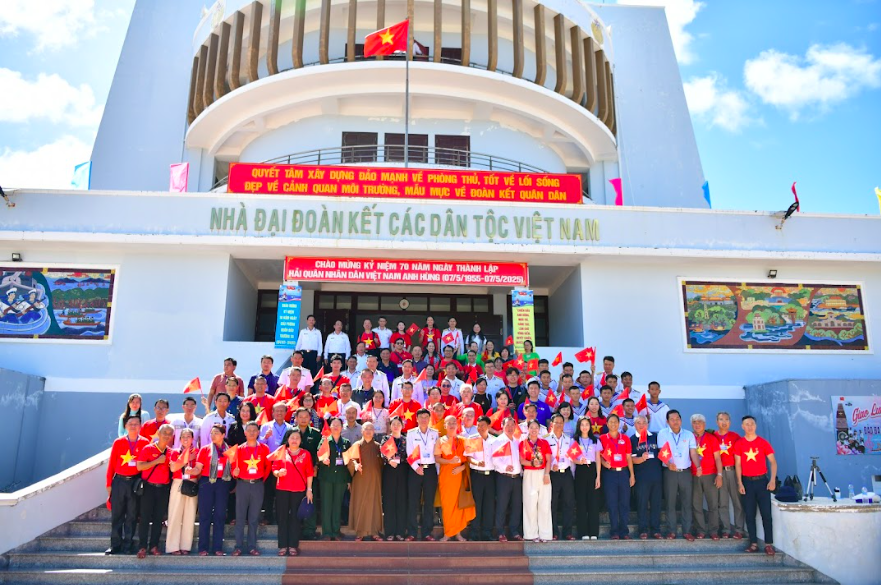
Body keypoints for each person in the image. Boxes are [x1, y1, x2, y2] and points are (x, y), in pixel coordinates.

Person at [105, 414, 150, 555]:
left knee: (131, 515)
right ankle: (115, 545)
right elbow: (112, 464)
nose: (133, 426)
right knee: (117, 515)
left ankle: (127, 545)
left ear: (140, 426)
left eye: (136, 423)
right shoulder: (119, 442)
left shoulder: (144, 443)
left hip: (135, 482)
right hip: (119, 481)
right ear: (125, 426)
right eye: (130, 423)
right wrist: (109, 484)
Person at [734, 415, 777, 555]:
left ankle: (769, 544)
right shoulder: (739, 443)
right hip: (747, 482)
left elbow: (773, 462)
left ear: (755, 426)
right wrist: (740, 482)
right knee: (749, 515)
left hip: (762, 482)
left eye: (752, 423)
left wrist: (772, 480)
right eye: (747, 424)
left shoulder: (763, 442)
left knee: (766, 514)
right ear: (742, 426)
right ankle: (753, 543)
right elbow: (738, 465)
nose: (750, 426)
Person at [657, 409, 700, 540]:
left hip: (685, 472)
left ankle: (687, 531)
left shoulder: (688, 435)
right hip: (670, 472)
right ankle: (672, 531)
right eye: (672, 419)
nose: (675, 422)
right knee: (670, 503)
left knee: (687, 502)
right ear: (667, 421)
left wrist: (698, 466)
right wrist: (669, 463)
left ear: (681, 420)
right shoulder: (663, 434)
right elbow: (662, 452)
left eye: (677, 419)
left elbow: (693, 453)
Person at [272, 428, 315, 556]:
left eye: (297, 438)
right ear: (287, 439)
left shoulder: (306, 454)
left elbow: (309, 473)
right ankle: (283, 545)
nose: (294, 440)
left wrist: (309, 490)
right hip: (282, 489)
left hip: (299, 490)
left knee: (295, 519)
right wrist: (278, 473)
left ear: (301, 440)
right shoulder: (281, 451)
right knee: (282, 517)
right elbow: (274, 468)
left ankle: (293, 545)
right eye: (292, 437)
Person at [193, 424, 234, 556]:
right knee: (205, 515)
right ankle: (203, 548)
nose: (213, 435)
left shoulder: (230, 451)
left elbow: (234, 470)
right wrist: (190, 470)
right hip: (207, 482)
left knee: (220, 515)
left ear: (223, 435)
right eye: (211, 433)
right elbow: (198, 468)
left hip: (223, 483)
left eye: (216, 433)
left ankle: (217, 547)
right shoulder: (205, 450)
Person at [231, 421, 270, 556]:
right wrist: (234, 474)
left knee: (254, 518)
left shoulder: (264, 448)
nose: (252, 432)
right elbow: (233, 468)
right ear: (245, 433)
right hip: (242, 485)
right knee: (240, 517)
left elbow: (267, 467)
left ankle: (252, 546)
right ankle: (238, 546)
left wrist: (260, 480)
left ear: (258, 432)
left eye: (255, 430)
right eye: (249, 430)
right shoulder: (239, 449)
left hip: (258, 485)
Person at [134, 423, 173, 558]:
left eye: (169, 434)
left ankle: (154, 546)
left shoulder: (170, 452)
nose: (167, 436)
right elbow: (140, 466)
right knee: (144, 518)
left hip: (163, 489)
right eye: (164, 433)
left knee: (158, 519)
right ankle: (142, 546)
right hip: (149, 488)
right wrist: (157, 461)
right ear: (158, 434)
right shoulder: (148, 449)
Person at [435, 416, 476, 541]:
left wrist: (461, 468)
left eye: (454, 423)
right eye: (449, 423)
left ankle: (458, 533)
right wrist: (449, 461)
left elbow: (469, 459)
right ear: (445, 426)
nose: (452, 425)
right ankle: (448, 533)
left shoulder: (463, 440)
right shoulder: (440, 441)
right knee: (448, 506)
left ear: (457, 425)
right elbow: (437, 458)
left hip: (460, 477)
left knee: (459, 505)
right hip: (446, 477)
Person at [599, 414, 635, 540]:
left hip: (624, 472)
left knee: (624, 502)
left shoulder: (625, 438)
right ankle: (614, 531)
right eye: (611, 422)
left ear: (619, 424)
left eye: (615, 422)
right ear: (607, 424)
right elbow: (598, 457)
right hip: (610, 474)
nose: (613, 424)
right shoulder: (602, 438)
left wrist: (632, 475)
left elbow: (629, 457)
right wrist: (604, 464)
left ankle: (624, 531)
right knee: (612, 502)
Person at [406, 409, 439, 540]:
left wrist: (438, 472)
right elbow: (409, 452)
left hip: (430, 470)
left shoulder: (435, 434)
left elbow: (437, 454)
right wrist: (415, 467)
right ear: (417, 419)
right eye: (421, 417)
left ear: (430, 418)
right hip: (415, 469)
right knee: (413, 502)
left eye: (426, 417)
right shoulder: (411, 433)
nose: (424, 419)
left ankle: (427, 532)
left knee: (429, 502)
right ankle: (412, 532)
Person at [347, 421, 384, 541]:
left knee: (374, 503)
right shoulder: (356, 445)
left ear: (374, 432)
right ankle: (360, 532)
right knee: (360, 503)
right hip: (360, 479)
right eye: (366, 429)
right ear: (361, 431)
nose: (368, 431)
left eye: (370, 429)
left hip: (374, 479)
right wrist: (355, 465)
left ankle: (375, 531)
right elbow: (350, 460)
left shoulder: (378, 446)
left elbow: (382, 463)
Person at [317, 417, 351, 540]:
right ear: (330, 427)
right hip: (327, 476)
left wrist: (348, 480)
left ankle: (336, 531)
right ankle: (327, 532)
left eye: (338, 425)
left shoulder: (346, 443)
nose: (336, 427)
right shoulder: (325, 440)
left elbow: (349, 462)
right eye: (333, 424)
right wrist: (322, 460)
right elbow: (319, 454)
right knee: (326, 505)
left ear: (342, 428)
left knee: (338, 504)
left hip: (341, 478)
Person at [166, 428, 199, 555]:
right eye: (183, 437)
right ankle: (173, 546)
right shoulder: (175, 452)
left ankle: (186, 545)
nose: (186, 439)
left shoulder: (197, 452)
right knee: (175, 514)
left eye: (188, 437)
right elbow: (173, 468)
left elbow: (200, 469)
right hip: (178, 483)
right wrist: (186, 458)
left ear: (192, 439)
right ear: (179, 440)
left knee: (190, 515)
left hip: (192, 482)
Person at [691, 414, 723, 540]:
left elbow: (717, 458)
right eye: (694, 422)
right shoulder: (689, 437)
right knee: (696, 504)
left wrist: (719, 475)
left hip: (710, 475)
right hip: (693, 475)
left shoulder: (711, 438)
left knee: (712, 504)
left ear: (704, 424)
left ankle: (714, 530)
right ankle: (700, 530)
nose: (697, 424)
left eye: (700, 422)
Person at [259, 403, 292, 524]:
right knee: (268, 491)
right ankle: (268, 517)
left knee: (282, 493)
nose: (279, 413)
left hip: (284, 463)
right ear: (272, 412)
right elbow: (260, 444)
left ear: (285, 412)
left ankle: (281, 518)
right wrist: (265, 437)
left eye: (282, 411)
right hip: (269, 463)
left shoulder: (290, 428)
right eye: (276, 411)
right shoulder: (265, 426)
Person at [714, 411, 745, 539]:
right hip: (719, 474)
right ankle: (726, 529)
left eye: (726, 419)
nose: (724, 422)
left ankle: (739, 529)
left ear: (730, 422)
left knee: (737, 502)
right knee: (723, 502)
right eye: (721, 419)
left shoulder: (735, 437)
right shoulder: (713, 436)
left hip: (733, 471)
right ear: (717, 422)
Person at [630, 415, 662, 539]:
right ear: (635, 425)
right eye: (639, 422)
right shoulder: (632, 439)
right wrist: (641, 459)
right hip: (642, 478)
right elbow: (631, 460)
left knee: (656, 504)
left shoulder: (655, 436)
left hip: (657, 476)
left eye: (644, 422)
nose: (642, 425)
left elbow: (663, 452)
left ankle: (656, 529)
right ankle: (643, 529)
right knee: (642, 504)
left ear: (648, 424)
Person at [519, 419, 552, 542]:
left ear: (539, 429)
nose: (534, 430)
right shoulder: (523, 443)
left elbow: (548, 459)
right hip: (529, 473)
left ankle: (545, 534)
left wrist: (547, 474)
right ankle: (531, 534)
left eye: (536, 428)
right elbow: (522, 460)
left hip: (543, 473)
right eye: (531, 427)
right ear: (528, 429)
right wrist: (532, 463)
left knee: (544, 504)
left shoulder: (544, 442)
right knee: (530, 504)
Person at [492, 417, 523, 542]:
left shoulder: (517, 441)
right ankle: (500, 532)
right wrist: (505, 466)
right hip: (503, 477)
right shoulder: (498, 441)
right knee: (502, 505)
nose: (510, 427)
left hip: (517, 478)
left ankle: (514, 531)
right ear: (502, 426)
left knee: (516, 505)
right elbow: (494, 459)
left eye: (512, 425)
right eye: (507, 425)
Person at [464, 415, 495, 541]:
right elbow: (468, 457)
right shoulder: (472, 439)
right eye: (478, 425)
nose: (480, 427)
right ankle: (474, 533)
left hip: (491, 476)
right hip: (477, 474)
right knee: (476, 504)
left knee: (489, 504)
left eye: (483, 425)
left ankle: (487, 532)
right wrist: (477, 463)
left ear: (488, 426)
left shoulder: (494, 440)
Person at [545, 413, 576, 540]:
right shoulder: (546, 439)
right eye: (556, 422)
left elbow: (573, 459)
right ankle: (554, 532)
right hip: (553, 474)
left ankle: (567, 532)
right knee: (552, 503)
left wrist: (573, 476)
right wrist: (552, 466)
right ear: (551, 424)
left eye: (561, 423)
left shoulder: (569, 440)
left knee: (569, 503)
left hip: (566, 473)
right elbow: (544, 457)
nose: (559, 425)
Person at [572, 416, 602, 540]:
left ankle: (594, 532)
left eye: (587, 424)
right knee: (582, 503)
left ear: (590, 426)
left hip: (593, 471)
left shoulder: (595, 440)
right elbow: (572, 458)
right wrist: (580, 462)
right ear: (579, 426)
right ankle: (583, 532)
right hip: (580, 470)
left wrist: (598, 476)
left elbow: (598, 459)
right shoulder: (574, 440)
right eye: (582, 424)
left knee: (593, 503)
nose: (584, 427)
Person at [381, 416, 409, 540]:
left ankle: (400, 532)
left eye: (398, 424)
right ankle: (390, 532)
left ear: (402, 426)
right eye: (394, 424)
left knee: (401, 502)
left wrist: (400, 460)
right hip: (389, 471)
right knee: (389, 502)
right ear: (390, 426)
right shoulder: (386, 439)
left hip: (403, 471)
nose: (396, 426)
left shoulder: (406, 440)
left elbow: (410, 455)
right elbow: (382, 453)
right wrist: (389, 459)